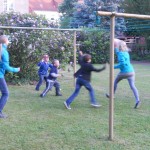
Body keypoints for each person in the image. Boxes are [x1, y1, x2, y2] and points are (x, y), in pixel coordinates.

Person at [106, 40, 141, 109]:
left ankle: (112, 95)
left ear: (120, 46)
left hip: (124, 72)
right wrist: (115, 45)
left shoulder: (120, 54)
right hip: (131, 72)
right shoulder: (126, 53)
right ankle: (138, 100)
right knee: (132, 86)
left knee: (115, 82)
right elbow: (117, 50)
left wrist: (113, 67)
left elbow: (122, 64)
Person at [0, 35, 20, 118]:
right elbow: (6, 67)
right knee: (5, 93)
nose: (9, 42)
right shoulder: (3, 51)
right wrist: (16, 70)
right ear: (5, 41)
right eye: (8, 40)